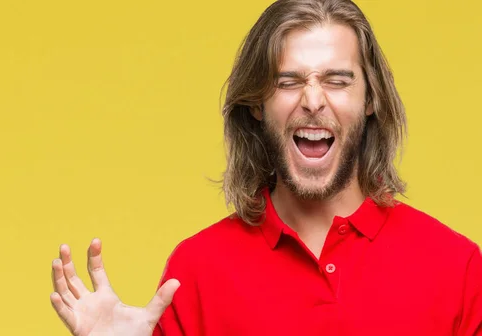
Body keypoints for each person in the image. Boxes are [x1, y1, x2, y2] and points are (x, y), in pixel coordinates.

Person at [49, 0, 482, 335]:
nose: (312, 101)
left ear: (370, 100)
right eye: (288, 81)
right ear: (257, 104)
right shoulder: (197, 271)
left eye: (337, 80)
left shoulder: (457, 268)